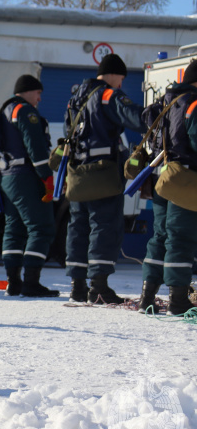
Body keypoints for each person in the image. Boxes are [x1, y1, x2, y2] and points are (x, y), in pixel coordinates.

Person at [64, 54, 145, 304]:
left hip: (77, 174)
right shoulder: (108, 94)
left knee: (78, 226)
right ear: (114, 74)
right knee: (104, 225)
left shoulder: (75, 98)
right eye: (121, 78)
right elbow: (135, 118)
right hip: (102, 173)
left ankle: (77, 287)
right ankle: (98, 287)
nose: (121, 83)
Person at [137, 60, 197, 315]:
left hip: (161, 178)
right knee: (180, 238)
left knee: (160, 236)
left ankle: (146, 298)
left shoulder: (166, 101)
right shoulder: (193, 103)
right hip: (184, 179)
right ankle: (178, 300)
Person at [0, 75, 58, 297]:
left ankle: (13, 282)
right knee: (41, 228)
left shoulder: (6, 110)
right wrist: (47, 177)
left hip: (7, 176)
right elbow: (36, 148)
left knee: (15, 228)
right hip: (25, 177)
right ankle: (31, 282)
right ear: (28, 91)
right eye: (38, 93)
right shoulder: (25, 111)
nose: (39, 98)